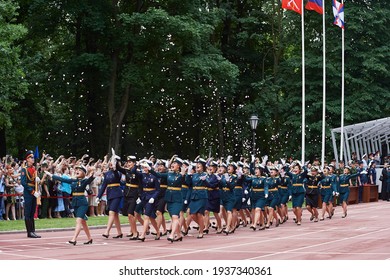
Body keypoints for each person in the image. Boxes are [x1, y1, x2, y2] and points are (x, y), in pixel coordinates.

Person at [46, 165, 95, 245]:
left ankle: (74, 239)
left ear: (83, 173)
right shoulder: (73, 180)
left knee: (78, 220)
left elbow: (90, 178)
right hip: (75, 203)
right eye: (77, 170)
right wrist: (51, 175)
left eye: (80, 170)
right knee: (83, 222)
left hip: (82, 203)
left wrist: (93, 173)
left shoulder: (84, 181)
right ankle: (89, 238)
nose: (77, 171)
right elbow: (62, 179)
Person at [151, 157, 185, 242]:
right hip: (169, 197)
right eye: (172, 163)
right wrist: (149, 169)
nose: (173, 165)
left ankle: (172, 235)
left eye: (175, 164)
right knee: (173, 217)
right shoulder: (169, 174)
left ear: (179, 166)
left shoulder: (181, 175)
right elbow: (158, 174)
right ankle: (179, 235)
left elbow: (182, 180)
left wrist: (183, 174)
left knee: (175, 217)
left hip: (177, 198)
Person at [96, 158, 124, 239]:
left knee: (111, 212)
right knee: (115, 215)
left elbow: (117, 177)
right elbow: (104, 185)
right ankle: (119, 232)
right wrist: (99, 196)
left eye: (113, 163)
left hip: (117, 194)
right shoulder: (107, 173)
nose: (111, 164)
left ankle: (107, 231)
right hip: (110, 194)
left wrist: (115, 169)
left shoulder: (118, 172)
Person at [116, 155, 142, 239]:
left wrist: (139, 195)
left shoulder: (138, 172)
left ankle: (135, 233)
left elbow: (140, 185)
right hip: (127, 194)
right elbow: (118, 168)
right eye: (128, 162)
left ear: (134, 163)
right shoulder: (127, 171)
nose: (128, 163)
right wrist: (116, 159)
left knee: (131, 214)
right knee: (128, 214)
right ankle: (133, 231)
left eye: (130, 162)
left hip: (134, 195)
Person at [20, 150, 41, 238]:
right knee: (28, 213)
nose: (33, 159)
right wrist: (32, 192)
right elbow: (23, 183)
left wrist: (38, 181)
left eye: (33, 157)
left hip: (34, 191)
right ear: (27, 159)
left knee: (32, 212)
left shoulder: (34, 169)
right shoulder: (24, 169)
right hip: (29, 193)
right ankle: (29, 232)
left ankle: (33, 231)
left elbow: (34, 181)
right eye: (31, 157)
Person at [186, 158, 208, 238]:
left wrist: (205, 180)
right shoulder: (194, 175)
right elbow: (188, 183)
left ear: (203, 167)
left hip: (202, 196)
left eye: (199, 165)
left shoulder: (205, 174)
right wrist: (188, 174)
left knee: (199, 214)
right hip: (194, 196)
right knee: (192, 215)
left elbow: (209, 184)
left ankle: (201, 231)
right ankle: (202, 225)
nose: (197, 166)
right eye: (197, 165)